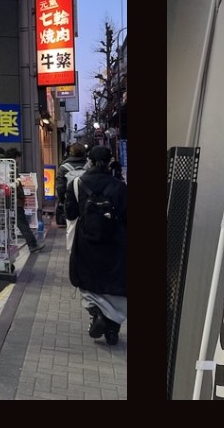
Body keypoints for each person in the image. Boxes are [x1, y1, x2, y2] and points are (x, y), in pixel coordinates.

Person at [67, 145, 129, 345]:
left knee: (86, 281)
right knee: (114, 287)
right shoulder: (120, 187)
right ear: (110, 162)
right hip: (115, 245)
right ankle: (112, 330)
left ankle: (97, 314)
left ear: (90, 161)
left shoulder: (77, 184)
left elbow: (70, 214)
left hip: (86, 243)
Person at [0, 150, 44, 253]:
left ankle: (3, 246)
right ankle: (32, 245)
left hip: (2, 202)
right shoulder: (10, 169)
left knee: (6, 224)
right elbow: (16, 188)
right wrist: (21, 197)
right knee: (22, 223)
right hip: (14, 201)